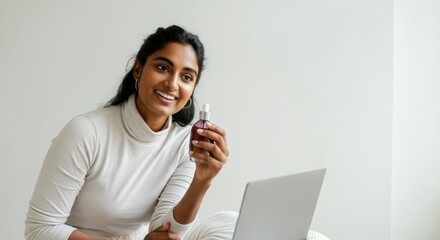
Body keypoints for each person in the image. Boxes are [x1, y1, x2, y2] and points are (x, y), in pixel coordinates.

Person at [25, 25, 238, 240]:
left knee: (229, 224)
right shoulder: (86, 131)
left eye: (186, 77)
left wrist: (202, 182)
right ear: (138, 69)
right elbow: (40, 229)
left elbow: (166, 231)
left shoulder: (184, 143)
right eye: (163, 68)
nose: (172, 84)